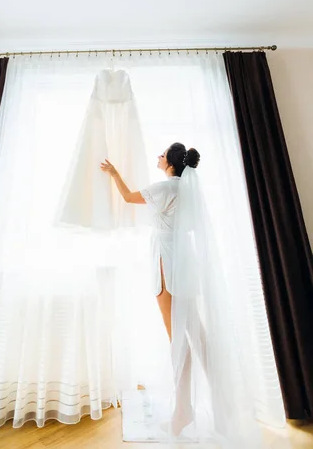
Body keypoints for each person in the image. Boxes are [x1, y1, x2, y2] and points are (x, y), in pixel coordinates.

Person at [101, 142, 201, 437]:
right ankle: (211, 404)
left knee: (177, 338)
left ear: (170, 162)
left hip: (166, 261)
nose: (157, 157)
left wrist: (115, 173)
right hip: (184, 259)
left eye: (161, 154)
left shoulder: (165, 188)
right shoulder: (188, 190)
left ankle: (183, 412)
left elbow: (129, 198)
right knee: (195, 332)